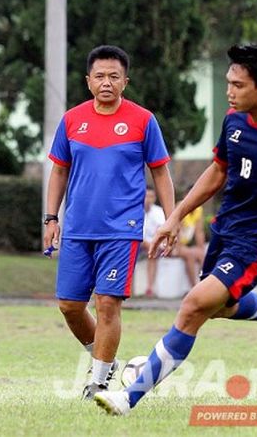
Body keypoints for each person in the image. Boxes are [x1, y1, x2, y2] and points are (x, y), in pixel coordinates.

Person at [95, 43, 257, 415]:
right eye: (228, 82)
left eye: (238, 85)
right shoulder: (234, 121)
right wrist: (176, 216)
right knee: (219, 307)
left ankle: (128, 397)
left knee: (194, 305)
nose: (229, 91)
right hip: (225, 232)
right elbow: (217, 171)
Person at [44, 45, 175, 399]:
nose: (106, 82)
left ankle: (98, 381)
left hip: (122, 229)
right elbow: (59, 171)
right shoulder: (72, 120)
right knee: (70, 306)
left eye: (114, 76)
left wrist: (170, 219)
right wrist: (51, 217)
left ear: (125, 81)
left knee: (106, 303)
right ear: (88, 81)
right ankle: (105, 358)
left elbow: (160, 173)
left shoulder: (143, 120)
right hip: (77, 228)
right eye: (100, 76)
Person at [141, 187, 166, 297]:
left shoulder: (158, 211)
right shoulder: (136, 211)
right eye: (146, 196)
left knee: (152, 254)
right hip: (138, 243)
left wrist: (157, 245)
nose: (148, 199)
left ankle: (150, 287)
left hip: (154, 244)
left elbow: (161, 231)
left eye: (151, 196)